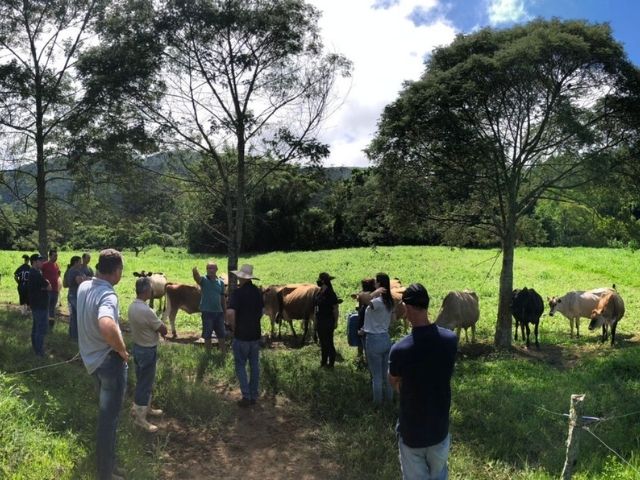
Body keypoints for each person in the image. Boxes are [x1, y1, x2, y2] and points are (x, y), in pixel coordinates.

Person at [389, 284, 458, 480]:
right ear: (426, 305)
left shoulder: (400, 349)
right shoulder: (450, 340)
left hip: (412, 433)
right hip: (439, 430)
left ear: (408, 308)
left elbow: (393, 380)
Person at [77, 249, 128, 480]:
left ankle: (109, 464)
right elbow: (107, 324)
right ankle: (105, 473)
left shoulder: (84, 286)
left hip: (92, 362)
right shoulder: (109, 295)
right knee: (109, 420)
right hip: (109, 363)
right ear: (116, 271)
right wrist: (122, 350)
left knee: (107, 416)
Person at [128, 276, 168, 433]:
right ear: (146, 291)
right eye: (151, 288)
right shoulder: (147, 310)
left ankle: (145, 408)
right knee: (144, 384)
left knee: (142, 381)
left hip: (137, 347)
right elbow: (163, 329)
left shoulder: (132, 306)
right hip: (147, 350)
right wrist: (162, 325)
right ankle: (140, 418)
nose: (152, 291)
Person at [226, 264, 263, 407]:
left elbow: (230, 313)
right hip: (255, 335)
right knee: (254, 366)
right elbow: (261, 312)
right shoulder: (257, 293)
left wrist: (233, 328)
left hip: (241, 335)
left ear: (241, 277)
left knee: (241, 365)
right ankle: (253, 395)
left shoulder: (237, 293)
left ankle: (246, 396)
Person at [362, 272, 395, 404]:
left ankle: (378, 404)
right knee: (386, 374)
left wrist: (375, 292)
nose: (374, 283)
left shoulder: (377, 301)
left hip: (373, 340)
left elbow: (362, 298)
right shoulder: (390, 302)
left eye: (376, 282)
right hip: (386, 338)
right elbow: (393, 320)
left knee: (376, 376)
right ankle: (389, 400)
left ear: (379, 284)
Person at [192, 261, 226, 354]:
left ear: (216, 269)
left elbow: (223, 298)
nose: (210, 270)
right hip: (207, 312)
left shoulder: (221, 283)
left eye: (212, 268)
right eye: (208, 268)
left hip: (219, 313)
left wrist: (225, 312)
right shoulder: (204, 280)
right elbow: (197, 278)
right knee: (207, 335)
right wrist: (194, 271)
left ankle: (223, 354)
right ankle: (208, 354)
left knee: (222, 335)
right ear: (206, 270)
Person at [28, 253, 51, 356]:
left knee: (36, 327)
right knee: (41, 328)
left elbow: (44, 286)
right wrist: (46, 284)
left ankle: (35, 348)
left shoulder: (34, 272)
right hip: (40, 304)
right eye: (40, 261)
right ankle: (39, 352)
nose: (42, 262)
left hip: (36, 304)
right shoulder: (35, 274)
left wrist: (45, 286)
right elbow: (48, 286)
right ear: (34, 262)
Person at [315, 272, 339, 368]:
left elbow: (335, 308)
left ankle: (331, 363)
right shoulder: (319, 292)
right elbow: (316, 306)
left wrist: (336, 321)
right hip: (320, 320)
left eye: (319, 279)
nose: (318, 281)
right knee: (322, 342)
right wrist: (316, 320)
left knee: (329, 342)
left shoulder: (331, 293)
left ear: (323, 281)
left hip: (328, 320)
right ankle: (323, 362)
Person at [63, 255, 86, 340]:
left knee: (74, 317)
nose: (81, 263)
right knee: (79, 316)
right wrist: (86, 279)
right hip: (75, 296)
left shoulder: (69, 270)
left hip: (71, 295)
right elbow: (79, 281)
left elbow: (65, 284)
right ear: (75, 262)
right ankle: (77, 336)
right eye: (80, 262)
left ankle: (73, 336)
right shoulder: (75, 271)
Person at [41, 249, 61, 330]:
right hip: (47, 290)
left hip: (55, 290)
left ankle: (51, 324)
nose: (56, 257)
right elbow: (40, 275)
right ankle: (44, 324)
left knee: (52, 308)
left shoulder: (56, 265)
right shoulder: (45, 265)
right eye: (54, 255)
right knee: (46, 307)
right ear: (50, 256)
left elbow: (58, 275)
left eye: (57, 255)